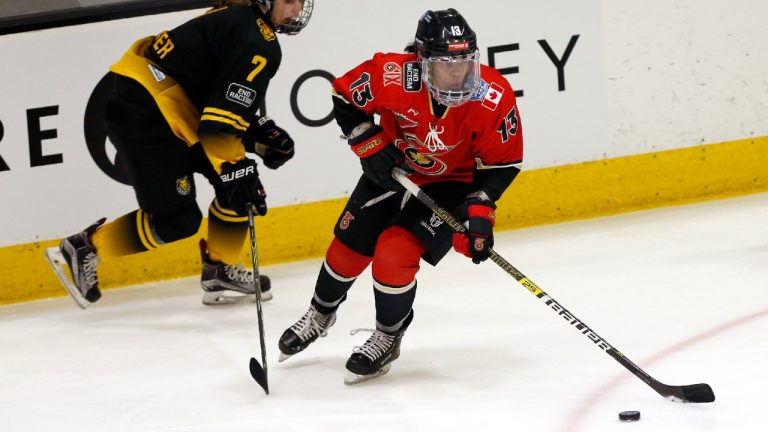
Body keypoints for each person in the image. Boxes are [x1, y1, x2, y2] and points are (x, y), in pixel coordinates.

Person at [277, 8, 524, 384]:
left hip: (452, 183)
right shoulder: (394, 74)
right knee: (347, 249)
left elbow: (502, 166)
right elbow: (344, 96)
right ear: (422, 60)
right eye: (446, 63)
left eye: (465, 61)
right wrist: (369, 144)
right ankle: (320, 312)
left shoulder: (492, 96)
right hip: (393, 168)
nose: (458, 72)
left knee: (394, 251)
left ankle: (388, 336)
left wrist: (479, 214)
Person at [45, 0, 314, 308]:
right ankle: (86, 247)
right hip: (145, 115)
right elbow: (217, 128)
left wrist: (253, 133)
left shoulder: (238, 18)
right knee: (178, 220)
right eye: (291, 0)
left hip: (161, 106)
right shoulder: (257, 42)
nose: (297, 11)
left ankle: (220, 269)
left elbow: (211, 94)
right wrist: (239, 168)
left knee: (235, 183)